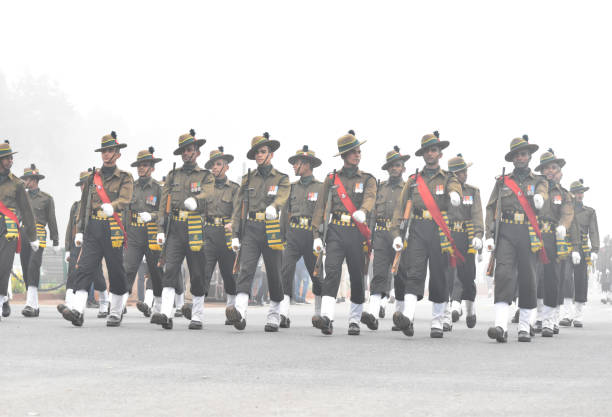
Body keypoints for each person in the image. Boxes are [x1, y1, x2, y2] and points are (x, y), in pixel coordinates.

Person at [390, 131, 463, 338]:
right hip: (418, 228)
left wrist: (455, 194)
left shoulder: (449, 178)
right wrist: (396, 233)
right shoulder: (413, 180)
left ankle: (438, 322)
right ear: (423, 155)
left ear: (440, 154)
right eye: (427, 151)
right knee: (414, 272)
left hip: (439, 229)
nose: (430, 154)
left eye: (434, 150)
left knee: (439, 274)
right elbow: (401, 207)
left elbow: (455, 187)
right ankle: (408, 318)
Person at [61, 131, 134, 327]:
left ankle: (116, 311)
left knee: (116, 270)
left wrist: (114, 206)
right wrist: (80, 231)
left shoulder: (125, 177)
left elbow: (126, 199)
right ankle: (77, 310)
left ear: (117, 153)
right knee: (84, 267)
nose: (106, 154)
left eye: (110, 151)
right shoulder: (93, 178)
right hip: (94, 227)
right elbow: (84, 206)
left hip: (113, 226)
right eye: (104, 151)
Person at [311, 130, 377, 336]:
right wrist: (316, 236)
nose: (358, 155)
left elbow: (370, 197)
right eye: (353, 152)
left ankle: (355, 320)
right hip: (336, 230)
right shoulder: (331, 179)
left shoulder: (368, 179)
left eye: (359, 151)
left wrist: (363, 211)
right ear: (344, 156)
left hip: (357, 231)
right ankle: (327, 319)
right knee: (331, 272)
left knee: (357, 276)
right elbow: (320, 207)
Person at [484, 135, 548, 343]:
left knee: (528, 277)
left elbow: (542, 193)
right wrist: (489, 235)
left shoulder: (539, 181)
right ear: (512, 159)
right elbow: (491, 208)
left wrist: (539, 198)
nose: (520, 158)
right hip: (506, 232)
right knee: (503, 274)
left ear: (529, 156)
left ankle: (524, 326)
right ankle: (501, 326)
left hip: (528, 232)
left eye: (523, 154)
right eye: (516, 155)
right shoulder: (503, 182)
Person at [226, 132, 290, 332]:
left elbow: (283, 196)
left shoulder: (282, 178)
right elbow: (238, 209)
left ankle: (273, 315)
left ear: (271, 154)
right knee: (246, 269)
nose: (259, 156)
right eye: (256, 153)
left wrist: (274, 206)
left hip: (271, 228)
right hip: (251, 228)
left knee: (274, 272)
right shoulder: (247, 180)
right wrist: (234, 233)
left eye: (263, 152)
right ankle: (240, 313)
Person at [152, 129, 214, 330]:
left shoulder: (206, 176)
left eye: (189, 150)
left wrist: (196, 200)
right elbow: (163, 202)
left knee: (196, 272)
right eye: (183, 151)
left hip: (195, 225)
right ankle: (166, 313)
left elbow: (209, 192)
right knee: (170, 270)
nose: (186, 154)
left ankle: (197, 315)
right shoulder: (173, 175)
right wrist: (161, 227)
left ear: (197, 152)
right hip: (175, 227)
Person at [181, 147, 240, 324]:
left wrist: (234, 225)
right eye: (213, 164)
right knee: (201, 272)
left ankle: (231, 310)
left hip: (227, 233)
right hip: (207, 233)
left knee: (229, 274)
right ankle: (197, 314)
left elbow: (238, 211)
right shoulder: (205, 188)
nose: (215, 167)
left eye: (219, 164)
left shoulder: (234, 189)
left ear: (226, 167)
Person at [361, 146, 409, 332]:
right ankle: (372, 314)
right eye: (391, 166)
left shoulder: (409, 188)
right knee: (379, 273)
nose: (394, 169)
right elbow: (372, 214)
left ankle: (400, 316)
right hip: (381, 234)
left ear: (403, 168)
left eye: (397, 165)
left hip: (400, 235)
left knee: (401, 275)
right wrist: (370, 237)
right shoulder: (380, 188)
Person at [533, 149, 580, 336]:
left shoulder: (565, 194)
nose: (550, 171)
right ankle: (536, 316)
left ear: (558, 170)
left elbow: (568, 213)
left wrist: (563, 226)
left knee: (552, 277)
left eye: (553, 167)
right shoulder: (533, 187)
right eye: (546, 168)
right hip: (533, 235)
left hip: (553, 237)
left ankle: (549, 318)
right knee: (534, 276)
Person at [279, 145, 324, 328]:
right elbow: (285, 213)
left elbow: (323, 214)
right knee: (286, 270)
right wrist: (283, 237)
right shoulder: (291, 188)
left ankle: (319, 313)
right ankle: (283, 313)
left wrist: (321, 237)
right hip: (294, 234)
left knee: (316, 275)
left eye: (296, 163)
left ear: (306, 165)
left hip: (312, 236)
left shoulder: (321, 187)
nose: (293, 166)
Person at [58, 170, 109, 318]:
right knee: (73, 273)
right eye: (81, 185)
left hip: (93, 243)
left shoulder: (98, 205)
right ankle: (70, 303)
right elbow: (70, 228)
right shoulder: (76, 206)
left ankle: (105, 302)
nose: (83, 187)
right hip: (77, 244)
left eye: (86, 184)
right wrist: (68, 248)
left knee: (97, 274)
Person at [122, 147, 164, 319]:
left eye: (145, 165)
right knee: (128, 268)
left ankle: (159, 307)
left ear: (152, 168)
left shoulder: (158, 189)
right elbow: (125, 211)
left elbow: (163, 212)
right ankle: (117, 308)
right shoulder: (130, 187)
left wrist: (153, 217)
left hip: (153, 232)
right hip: (134, 233)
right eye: (139, 165)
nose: (141, 168)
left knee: (156, 271)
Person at [444, 154, 484, 330]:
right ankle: (451, 308)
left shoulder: (472, 191)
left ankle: (470, 309)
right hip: (449, 233)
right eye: (460, 172)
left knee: (468, 274)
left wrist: (478, 235)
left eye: (465, 171)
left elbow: (477, 214)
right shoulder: (444, 190)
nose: (464, 175)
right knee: (449, 271)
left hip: (466, 236)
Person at [0, 140, 37, 322]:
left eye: (10, 158)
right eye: (7, 158)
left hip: (8, 228)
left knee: (4, 264)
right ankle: (4, 298)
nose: (10, 161)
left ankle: (0, 301)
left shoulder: (17, 184)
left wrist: (33, 236)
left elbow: (27, 210)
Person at [18, 164, 59, 317]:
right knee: (24, 268)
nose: (25, 182)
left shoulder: (47, 198)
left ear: (34, 180)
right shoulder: (22, 197)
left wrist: (55, 241)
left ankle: (29, 303)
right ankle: (34, 306)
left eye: (27, 179)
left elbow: (52, 220)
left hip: (39, 234)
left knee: (33, 267)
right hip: (24, 233)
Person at [561, 178, 599, 328]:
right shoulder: (565, 210)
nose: (579, 195)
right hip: (567, 246)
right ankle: (567, 314)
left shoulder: (589, 212)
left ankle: (578, 315)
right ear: (571, 194)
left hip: (583, 248)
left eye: (581, 192)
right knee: (565, 278)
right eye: (576, 192)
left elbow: (594, 231)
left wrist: (595, 249)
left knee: (581, 279)